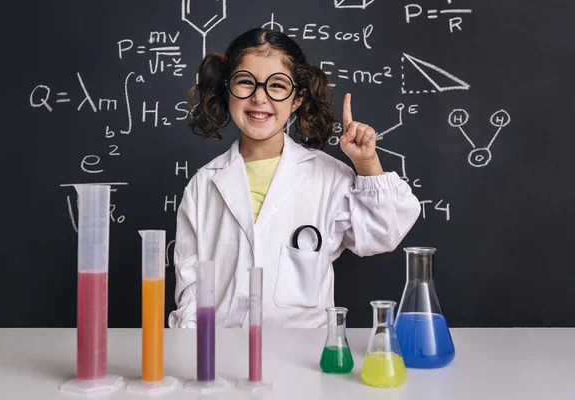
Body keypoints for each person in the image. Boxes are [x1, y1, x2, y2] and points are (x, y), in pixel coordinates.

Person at [168, 28, 420, 329]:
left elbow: (384, 233)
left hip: (305, 355)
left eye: (277, 85)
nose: (259, 97)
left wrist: (366, 163)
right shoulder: (203, 185)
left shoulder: (327, 177)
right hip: (222, 353)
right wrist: (198, 354)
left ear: (297, 98)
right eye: (246, 82)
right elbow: (190, 285)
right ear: (227, 89)